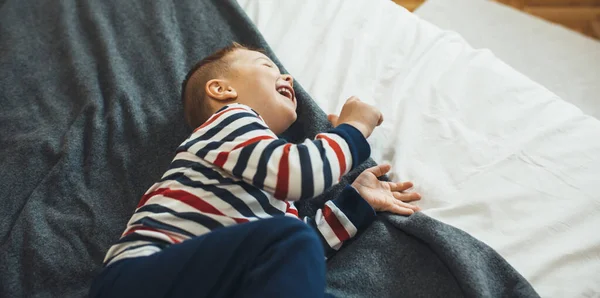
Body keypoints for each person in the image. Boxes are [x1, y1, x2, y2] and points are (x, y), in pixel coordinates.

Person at [90, 43, 421, 298]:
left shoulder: (271, 194)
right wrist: (352, 128)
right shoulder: (230, 121)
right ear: (222, 90)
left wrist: (358, 200)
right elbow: (303, 176)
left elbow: (301, 253)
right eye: (267, 66)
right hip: (140, 277)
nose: (287, 77)